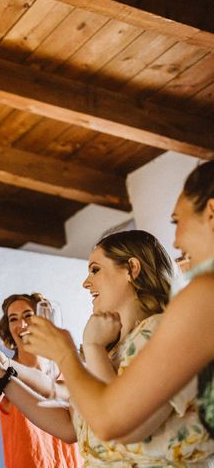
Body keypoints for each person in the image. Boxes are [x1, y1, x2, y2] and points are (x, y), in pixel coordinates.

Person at [0, 230, 214, 466]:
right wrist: (0, 374)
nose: (86, 283)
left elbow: (120, 426)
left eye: (95, 270)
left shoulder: (164, 331)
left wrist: (82, 349)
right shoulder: (116, 349)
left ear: (132, 269)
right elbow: (70, 426)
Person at [23, 160, 214, 442]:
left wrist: (66, 352)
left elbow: (112, 424)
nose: (175, 241)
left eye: (177, 221)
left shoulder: (203, 296)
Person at [0, 293, 82, 468]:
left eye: (28, 315)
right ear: (9, 329)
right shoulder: (6, 374)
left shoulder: (65, 369)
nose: (21, 324)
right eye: (13, 319)